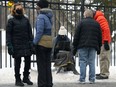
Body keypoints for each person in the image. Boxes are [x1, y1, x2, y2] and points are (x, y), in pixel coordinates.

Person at [6, 3, 33, 86]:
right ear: (14, 10)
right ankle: (17, 79)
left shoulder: (26, 20)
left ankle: (26, 77)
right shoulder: (11, 21)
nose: (19, 9)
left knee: (28, 61)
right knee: (17, 63)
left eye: (20, 8)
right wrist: (9, 45)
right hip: (16, 44)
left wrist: (31, 42)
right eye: (18, 8)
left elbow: (30, 32)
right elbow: (8, 34)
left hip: (26, 44)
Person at [73, 9, 102, 84]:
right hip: (93, 46)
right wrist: (99, 46)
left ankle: (82, 79)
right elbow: (99, 36)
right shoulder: (97, 23)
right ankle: (92, 79)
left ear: (85, 15)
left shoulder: (81, 23)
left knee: (83, 62)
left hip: (82, 45)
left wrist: (74, 45)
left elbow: (76, 35)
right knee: (92, 62)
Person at [33, 0, 53, 87]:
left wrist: (34, 42)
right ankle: (49, 82)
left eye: (37, 5)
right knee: (47, 64)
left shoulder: (41, 17)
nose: (36, 7)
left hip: (42, 43)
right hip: (49, 42)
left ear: (40, 6)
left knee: (41, 65)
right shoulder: (49, 16)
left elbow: (39, 32)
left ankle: (42, 83)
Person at [93, 10, 111, 79]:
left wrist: (106, 41)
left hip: (104, 42)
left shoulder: (100, 18)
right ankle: (102, 72)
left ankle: (104, 74)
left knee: (104, 57)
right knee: (102, 58)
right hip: (103, 42)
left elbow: (106, 29)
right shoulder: (99, 18)